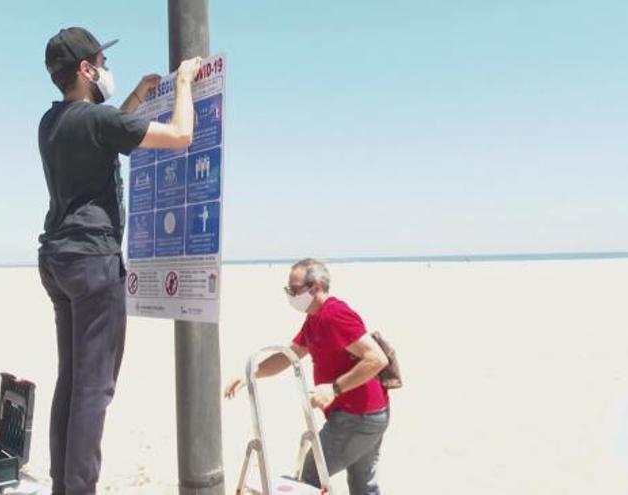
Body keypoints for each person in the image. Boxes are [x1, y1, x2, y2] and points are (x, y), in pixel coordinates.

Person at [37, 26, 201, 494]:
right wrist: (185, 83)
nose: (107, 71)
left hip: (57, 258)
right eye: (101, 64)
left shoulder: (53, 122)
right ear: (87, 70)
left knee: (70, 382)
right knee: (94, 389)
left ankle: (62, 485)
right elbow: (181, 134)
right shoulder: (95, 121)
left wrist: (134, 95)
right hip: (92, 262)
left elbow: (107, 129)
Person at [225, 258, 391, 494]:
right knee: (363, 484)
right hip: (368, 414)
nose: (290, 295)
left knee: (310, 478)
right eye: (288, 289)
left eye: (294, 289)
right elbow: (290, 355)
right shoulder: (315, 318)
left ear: (315, 288)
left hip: (358, 417)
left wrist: (334, 389)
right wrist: (251, 373)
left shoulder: (334, 315)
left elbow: (377, 358)